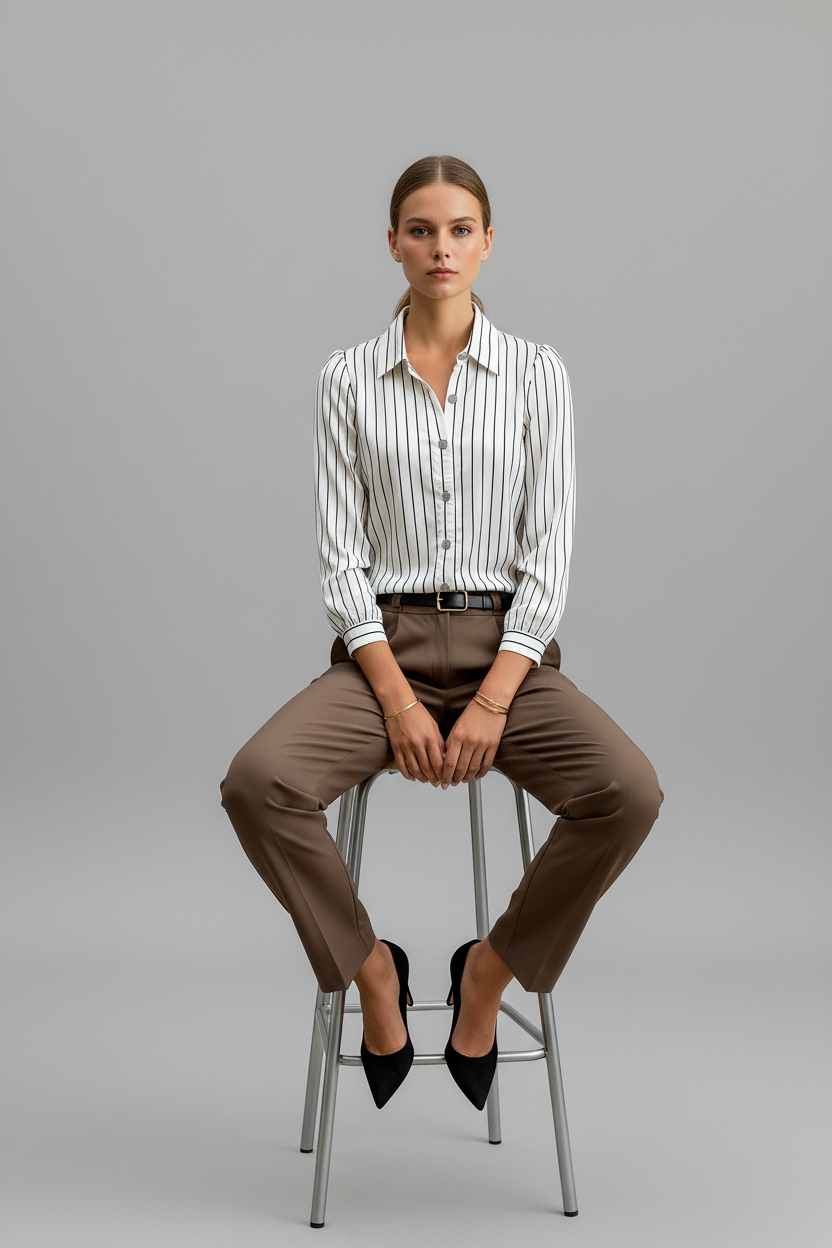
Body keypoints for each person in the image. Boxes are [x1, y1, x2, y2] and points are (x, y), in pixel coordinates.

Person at [220, 154, 663, 1112]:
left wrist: (496, 699)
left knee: (628, 792)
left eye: (460, 229)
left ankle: (490, 971)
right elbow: (341, 561)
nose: (441, 248)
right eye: (420, 230)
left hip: (509, 652)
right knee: (257, 784)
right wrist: (394, 699)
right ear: (392, 244)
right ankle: (373, 971)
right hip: (386, 651)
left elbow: (549, 558)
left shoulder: (538, 374)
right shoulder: (346, 377)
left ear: (489, 242)